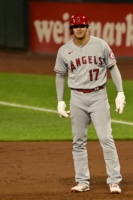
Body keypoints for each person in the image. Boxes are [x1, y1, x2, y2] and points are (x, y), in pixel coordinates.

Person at [54, 14, 126, 194]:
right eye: (75, 26)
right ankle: (82, 181)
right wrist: (61, 100)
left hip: (98, 96)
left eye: (82, 25)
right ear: (71, 28)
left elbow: (113, 68)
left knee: (106, 139)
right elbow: (59, 75)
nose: (79, 28)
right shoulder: (64, 50)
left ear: (87, 27)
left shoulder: (100, 45)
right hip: (77, 98)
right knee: (78, 142)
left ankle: (114, 181)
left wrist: (120, 92)